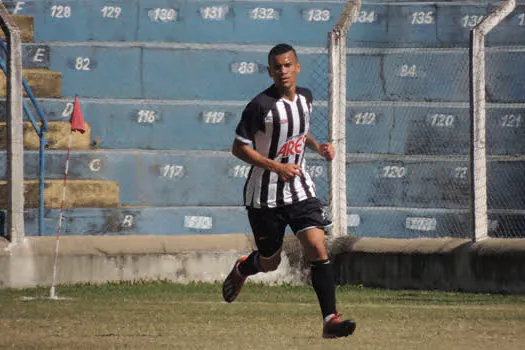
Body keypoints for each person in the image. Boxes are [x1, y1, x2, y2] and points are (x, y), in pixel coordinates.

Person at [222, 43, 356, 339]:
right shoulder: (260, 106)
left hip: (299, 188)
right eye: (277, 67)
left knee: (317, 247)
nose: (283, 71)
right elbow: (238, 148)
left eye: (287, 65)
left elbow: (299, 130)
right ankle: (245, 268)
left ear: (297, 67)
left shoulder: (305, 98)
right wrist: (275, 166)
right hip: (264, 195)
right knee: (270, 262)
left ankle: (330, 320)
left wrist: (318, 146)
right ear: (269, 71)